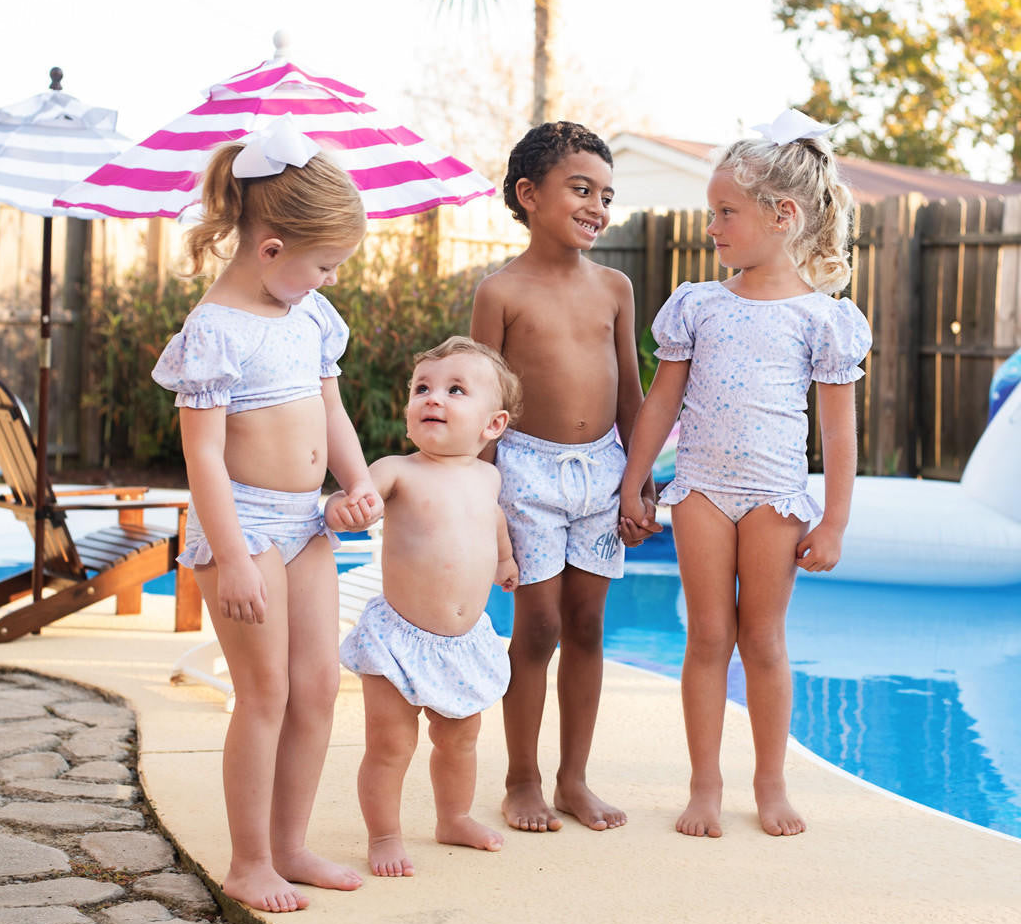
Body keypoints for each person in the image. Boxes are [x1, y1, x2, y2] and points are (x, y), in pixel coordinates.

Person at [619, 109, 872, 839]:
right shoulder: (698, 304)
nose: (712, 226)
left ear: (783, 215)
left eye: (725, 212)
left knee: (762, 640)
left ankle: (770, 781)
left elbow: (837, 429)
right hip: (699, 489)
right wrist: (637, 481)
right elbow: (662, 399)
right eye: (712, 212)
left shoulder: (823, 320)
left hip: (774, 498)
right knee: (705, 638)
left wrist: (836, 520)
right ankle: (704, 785)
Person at [152, 116, 382, 912]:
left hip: (307, 522)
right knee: (265, 693)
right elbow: (203, 457)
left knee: (318, 684)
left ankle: (290, 844)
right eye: (322, 264)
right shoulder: (214, 332)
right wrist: (234, 555)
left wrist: (353, 483)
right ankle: (249, 861)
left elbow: (333, 412)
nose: (328, 280)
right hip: (243, 527)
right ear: (271, 248)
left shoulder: (309, 315)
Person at [470, 121, 655, 834]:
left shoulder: (615, 287)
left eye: (606, 194)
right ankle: (521, 778)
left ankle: (573, 779)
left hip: (603, 472)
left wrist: (638, 483)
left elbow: (631, 393)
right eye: (582, 189)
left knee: (586, 624)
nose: (597, 207)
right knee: (539, 627)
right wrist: (480, 504)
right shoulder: (501, 291)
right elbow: (482, 404)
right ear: (529, 195)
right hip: (527, 474)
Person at [326, 336, 521, 877]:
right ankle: (385, 835)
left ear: (493, 426)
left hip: (463, 641)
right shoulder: (397, 469)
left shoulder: (488, 476)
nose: (433, 398)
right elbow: (358, 498)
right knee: (391, 745)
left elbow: (494, 521)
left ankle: (453, 817)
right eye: (422, 389)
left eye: (455, 390)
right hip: (398, 639)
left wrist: (505, 560)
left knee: (460, 741)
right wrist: (346, 509)